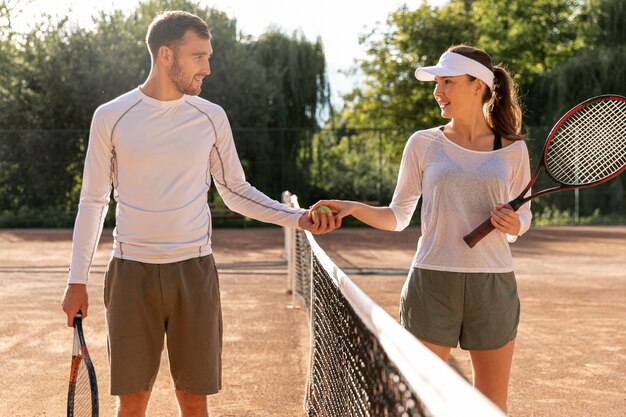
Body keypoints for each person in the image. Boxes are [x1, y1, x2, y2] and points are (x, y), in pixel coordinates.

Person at [61, 10, 335, 417]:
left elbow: (235, 191)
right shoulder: (111, 116)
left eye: (209, 57)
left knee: (193, 400)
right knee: (132, 402)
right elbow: (93, 202)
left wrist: (297, 218)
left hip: (194, 271)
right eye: (199, 56)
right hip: (130, 273)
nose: (207, 67)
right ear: (166, 55)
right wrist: (76, 280)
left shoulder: (211, 117)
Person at [313, 44, 531, 413]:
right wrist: (352, 207)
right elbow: (398, 216)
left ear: (477, 86)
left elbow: (523, 218)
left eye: (447, 82)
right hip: (431, 283)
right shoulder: (422, 143)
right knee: (420, 395)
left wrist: (515, 224)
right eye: (436, 83)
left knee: (492, 402)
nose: (438, 92)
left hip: (492, 284)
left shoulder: (512, 149)